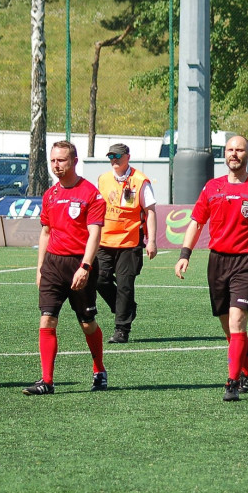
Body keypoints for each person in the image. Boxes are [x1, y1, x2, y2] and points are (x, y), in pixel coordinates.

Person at [174, 135, 248, 402]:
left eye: (239, 150)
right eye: (230, 150)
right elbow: (196, 222)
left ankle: (232, 383)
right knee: (229, 328)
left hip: (246, 261)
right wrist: (184, 254)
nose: (234, 154)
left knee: (237, 321)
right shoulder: (212, 187)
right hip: (217, 262)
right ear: (224, 154)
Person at [25, 141, 109, 396]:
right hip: (53, 265)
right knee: (47, 318)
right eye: (53, 160)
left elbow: (94, 234)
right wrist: (40, 268)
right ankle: (47, 381)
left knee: (87, 323)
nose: (56, 165)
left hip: (79, 264)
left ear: (74, 161)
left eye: (61, 160)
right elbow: (46, 232)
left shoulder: (91, 194)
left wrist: (85, 267)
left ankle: (99, 369)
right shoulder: (50, 195)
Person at [96, 143, 158, 344]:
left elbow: (150, 212)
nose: (114, 160)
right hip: (105, 240)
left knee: (125, 286)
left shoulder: (140, 181)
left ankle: (122, 329)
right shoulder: (103, 179)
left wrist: (151, 241)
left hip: (130, 242)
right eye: (110, 156)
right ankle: (126, 307)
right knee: (99, 279)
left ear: (127, 157)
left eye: (117, 156)